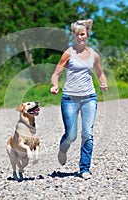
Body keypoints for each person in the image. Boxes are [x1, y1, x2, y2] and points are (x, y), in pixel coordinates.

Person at [50, 19, 108, 180]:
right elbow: (56, 74)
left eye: (82, 34)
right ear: (74, 36)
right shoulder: (68, 53)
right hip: (69, 98)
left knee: (88, 134)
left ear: (87, 34)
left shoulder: (94, 55)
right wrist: (55, 85)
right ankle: (63, 149)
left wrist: (103, 83)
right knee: (71, 135)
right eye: (77, 34)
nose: (80, 37)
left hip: (89, 97)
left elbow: (100, 73)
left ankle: (84, 168)